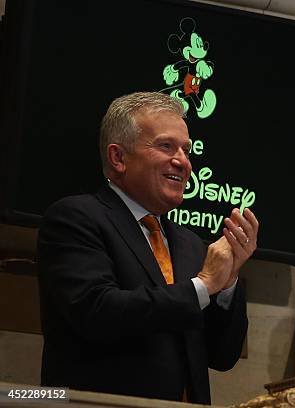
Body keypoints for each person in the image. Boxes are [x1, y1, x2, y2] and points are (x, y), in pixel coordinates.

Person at [37, 92, 259, 404]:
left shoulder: (190, 244)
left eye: (187, 150)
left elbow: (222, 356)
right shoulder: (75, 218)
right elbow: (98, 312)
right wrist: (204, 284)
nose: (183, 161)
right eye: (166, 146)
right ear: (118, 157)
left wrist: (227, 283)